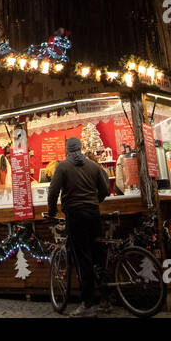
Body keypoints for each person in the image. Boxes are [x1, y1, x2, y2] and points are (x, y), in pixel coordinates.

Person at [47, 135, 110, 317]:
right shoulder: (93, 165)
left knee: (84, 258)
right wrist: (94, 202)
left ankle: (87, 304)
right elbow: (105, 189)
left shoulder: (63, 166)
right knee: (98, 254)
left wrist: (52, 211)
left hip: (75, 216)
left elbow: (53, 192)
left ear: (67, 149)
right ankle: (105, 300)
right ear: (80, 148)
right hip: (93, 214)